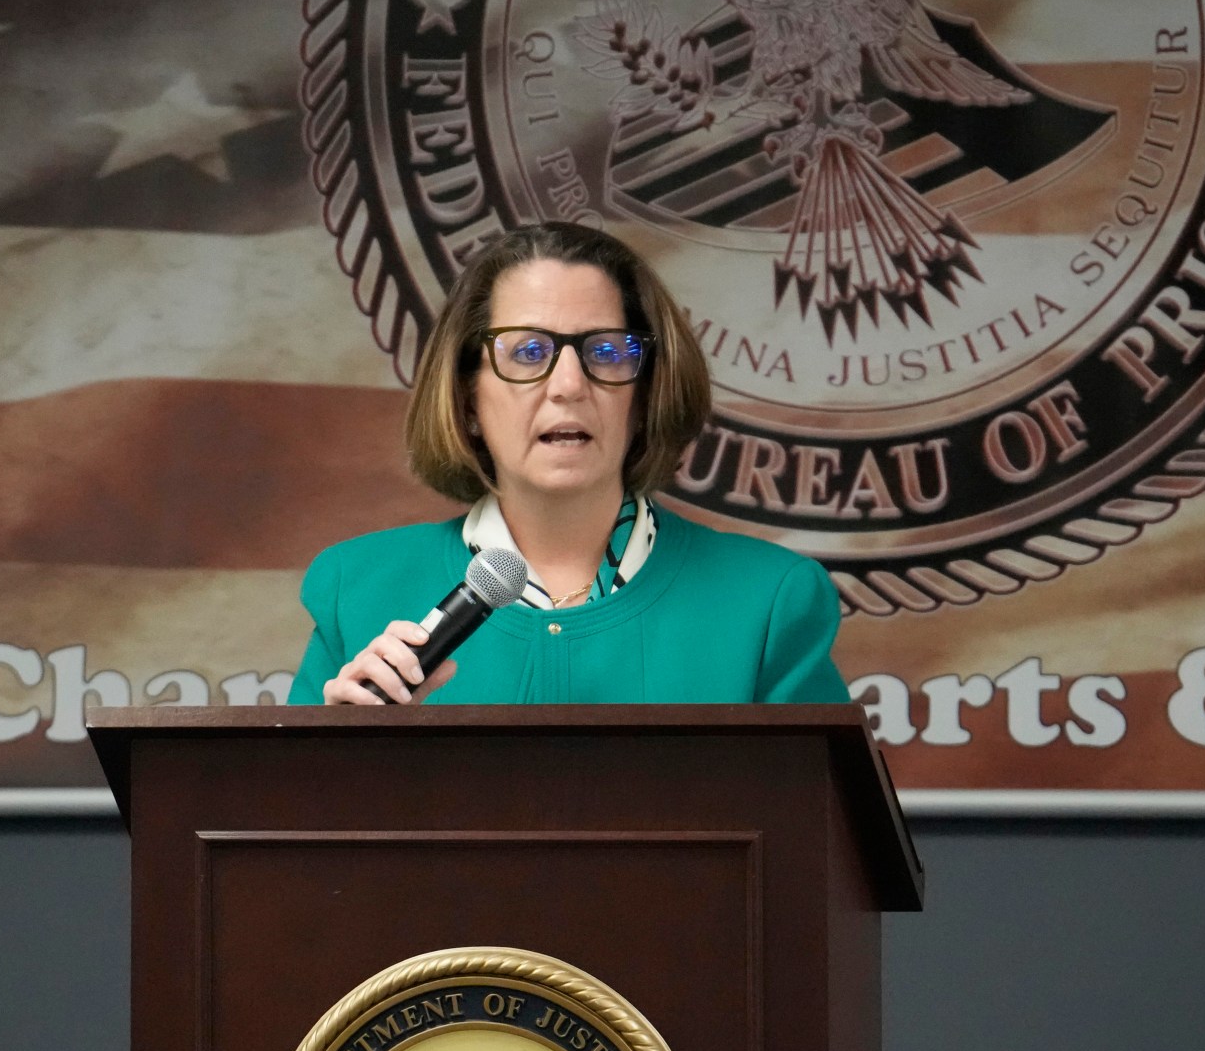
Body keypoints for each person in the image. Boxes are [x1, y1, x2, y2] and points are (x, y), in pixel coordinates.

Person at [287, 223, 849, 706]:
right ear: (468, 400)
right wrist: (342, 754)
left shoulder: (769, 599)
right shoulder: (357, 586)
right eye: (528, 352)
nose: (568, 386)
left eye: (606, 352)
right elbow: (284, 823)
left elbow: (808, 825)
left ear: (646, 395)